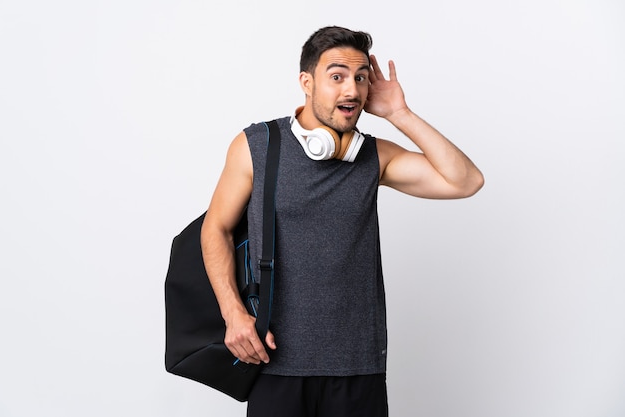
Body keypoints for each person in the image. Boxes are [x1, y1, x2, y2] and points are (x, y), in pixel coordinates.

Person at [201, 25, 484, 417]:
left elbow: (465, 181)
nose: (351, 90)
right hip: (273, 362)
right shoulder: (258, 146)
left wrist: (399, 114)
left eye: (360, 78)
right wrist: (233, 314)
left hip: (358, 367)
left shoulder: (373, 156)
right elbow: (215, 228)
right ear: (306, 82)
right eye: (337, 76)